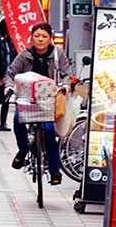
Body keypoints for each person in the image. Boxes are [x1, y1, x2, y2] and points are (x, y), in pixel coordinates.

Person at [8, 20, 73, 185]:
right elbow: (10, 73)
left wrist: (66, 85)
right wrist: (9, 87)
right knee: (17, 120)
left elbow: (67, 73)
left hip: (50, 100)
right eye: (37, 36)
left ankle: (54, 170)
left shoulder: (58, 54)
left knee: (50, 130)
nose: (40, 39)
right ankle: (22, 151)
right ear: (32, 37)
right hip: (27, 100)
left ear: (50, 38)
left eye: (44, 36)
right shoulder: (24, 55)